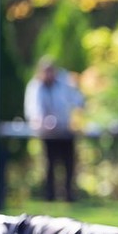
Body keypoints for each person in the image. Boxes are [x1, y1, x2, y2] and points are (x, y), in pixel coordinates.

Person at [24, 57, 84, 202]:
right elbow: (33, 110)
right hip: (48, 133)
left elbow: (77, 101)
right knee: (50, 163)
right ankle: (49, 195)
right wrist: (42, 121)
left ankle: (69, 194)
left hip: (65, 130)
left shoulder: (64, 83)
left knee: (69, 163)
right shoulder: (35, 87)